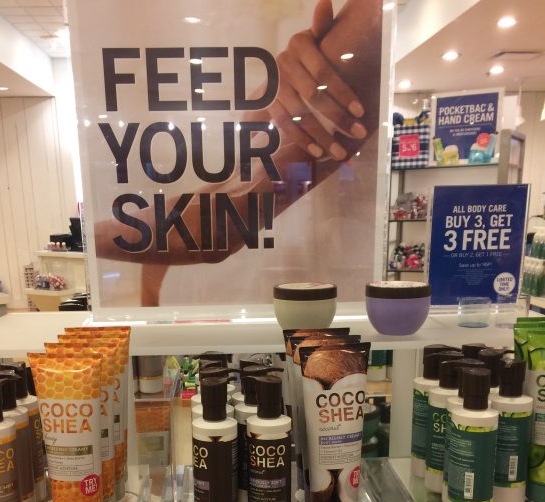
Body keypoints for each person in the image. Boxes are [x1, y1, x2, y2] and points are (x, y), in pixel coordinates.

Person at [93, 0, 382, 305]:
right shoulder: (272, 82)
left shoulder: (368, 26)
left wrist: (82, 239)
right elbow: (209, 201)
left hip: (297, 305)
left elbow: (215, 227)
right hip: (211, 302)